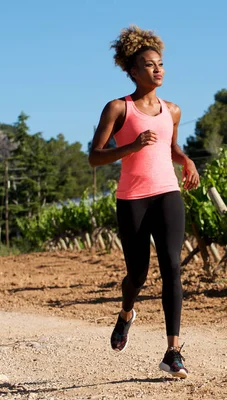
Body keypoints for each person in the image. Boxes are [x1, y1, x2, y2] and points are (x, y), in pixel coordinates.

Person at [88, 25, 199, 379]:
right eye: (149, 65)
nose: (158, 69)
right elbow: (95, 156)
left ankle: (173, 351)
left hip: (167, 193)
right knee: (137, 274)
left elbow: (170, 147)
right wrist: (132, 146)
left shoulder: (173, 110)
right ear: (133, 71)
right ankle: (126, 314)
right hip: (132, 198)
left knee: (172, 267)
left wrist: (187, 160)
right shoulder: (118, 109)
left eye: (161, 64)